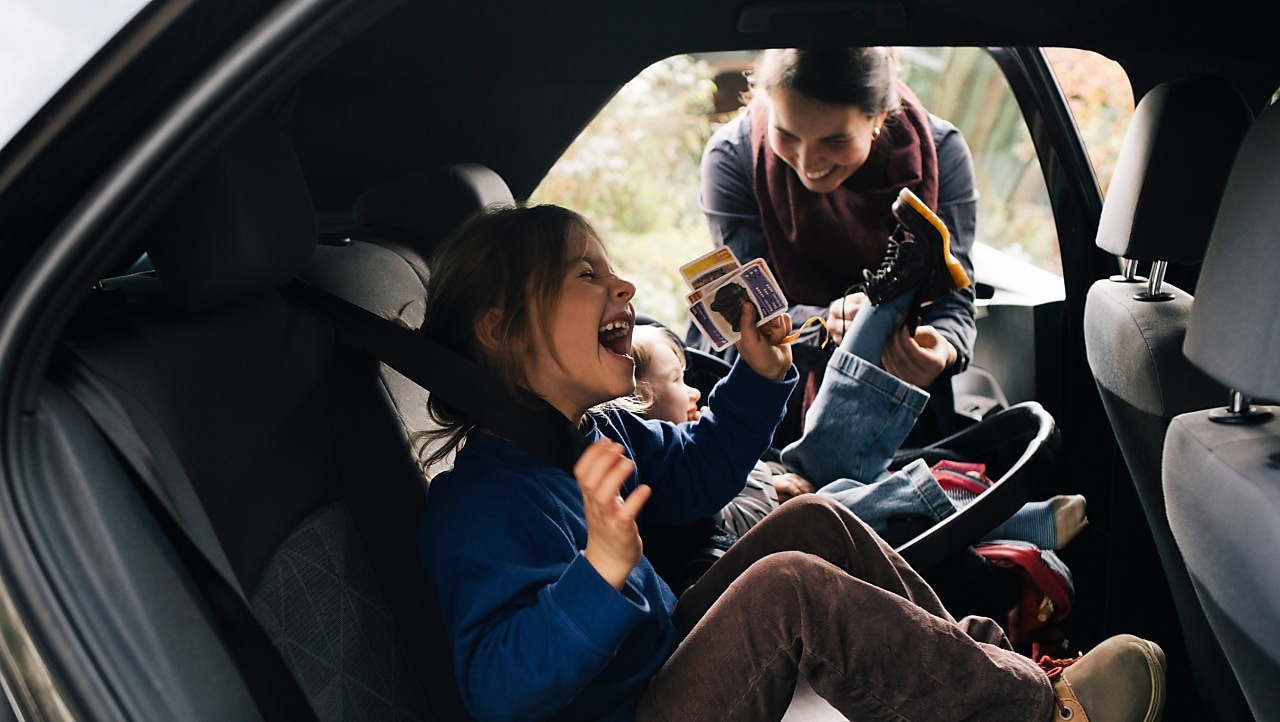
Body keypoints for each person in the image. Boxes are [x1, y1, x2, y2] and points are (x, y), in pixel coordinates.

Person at [416, 202, 1166, 722]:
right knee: (787, 589)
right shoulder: (477, 507)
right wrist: (598, 572)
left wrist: (757, 374)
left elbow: (702, 474)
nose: (624, 287)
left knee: (816, 519)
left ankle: (988, 675)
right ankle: (1032, 716)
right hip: (627, 710)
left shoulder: (595, 431)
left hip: (651, 665)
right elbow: (497, 691)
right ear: (501, 328)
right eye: (586, 275)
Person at [691, 46, 978, 445]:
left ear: (878, 118)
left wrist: (941, 350)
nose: (808, 162)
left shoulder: (941, 152)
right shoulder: (735, 158)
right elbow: (741, 315)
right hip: (771, 390)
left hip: (897, 398)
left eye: (835, 139)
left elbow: (954, 298)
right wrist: (827, 324)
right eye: (787, 135)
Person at [632, 321, 1087, 552]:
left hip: (786, 482)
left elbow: (747, 461)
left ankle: (886, 298)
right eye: (678, 382)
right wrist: (776, 494)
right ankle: (1006, 519)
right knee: (843, 503)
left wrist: (771, 476)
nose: (695, 391)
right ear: (640, 406)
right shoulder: (656, 480)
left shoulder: (697, 427)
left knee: (832, 422)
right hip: (780, 538)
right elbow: (715, 519)